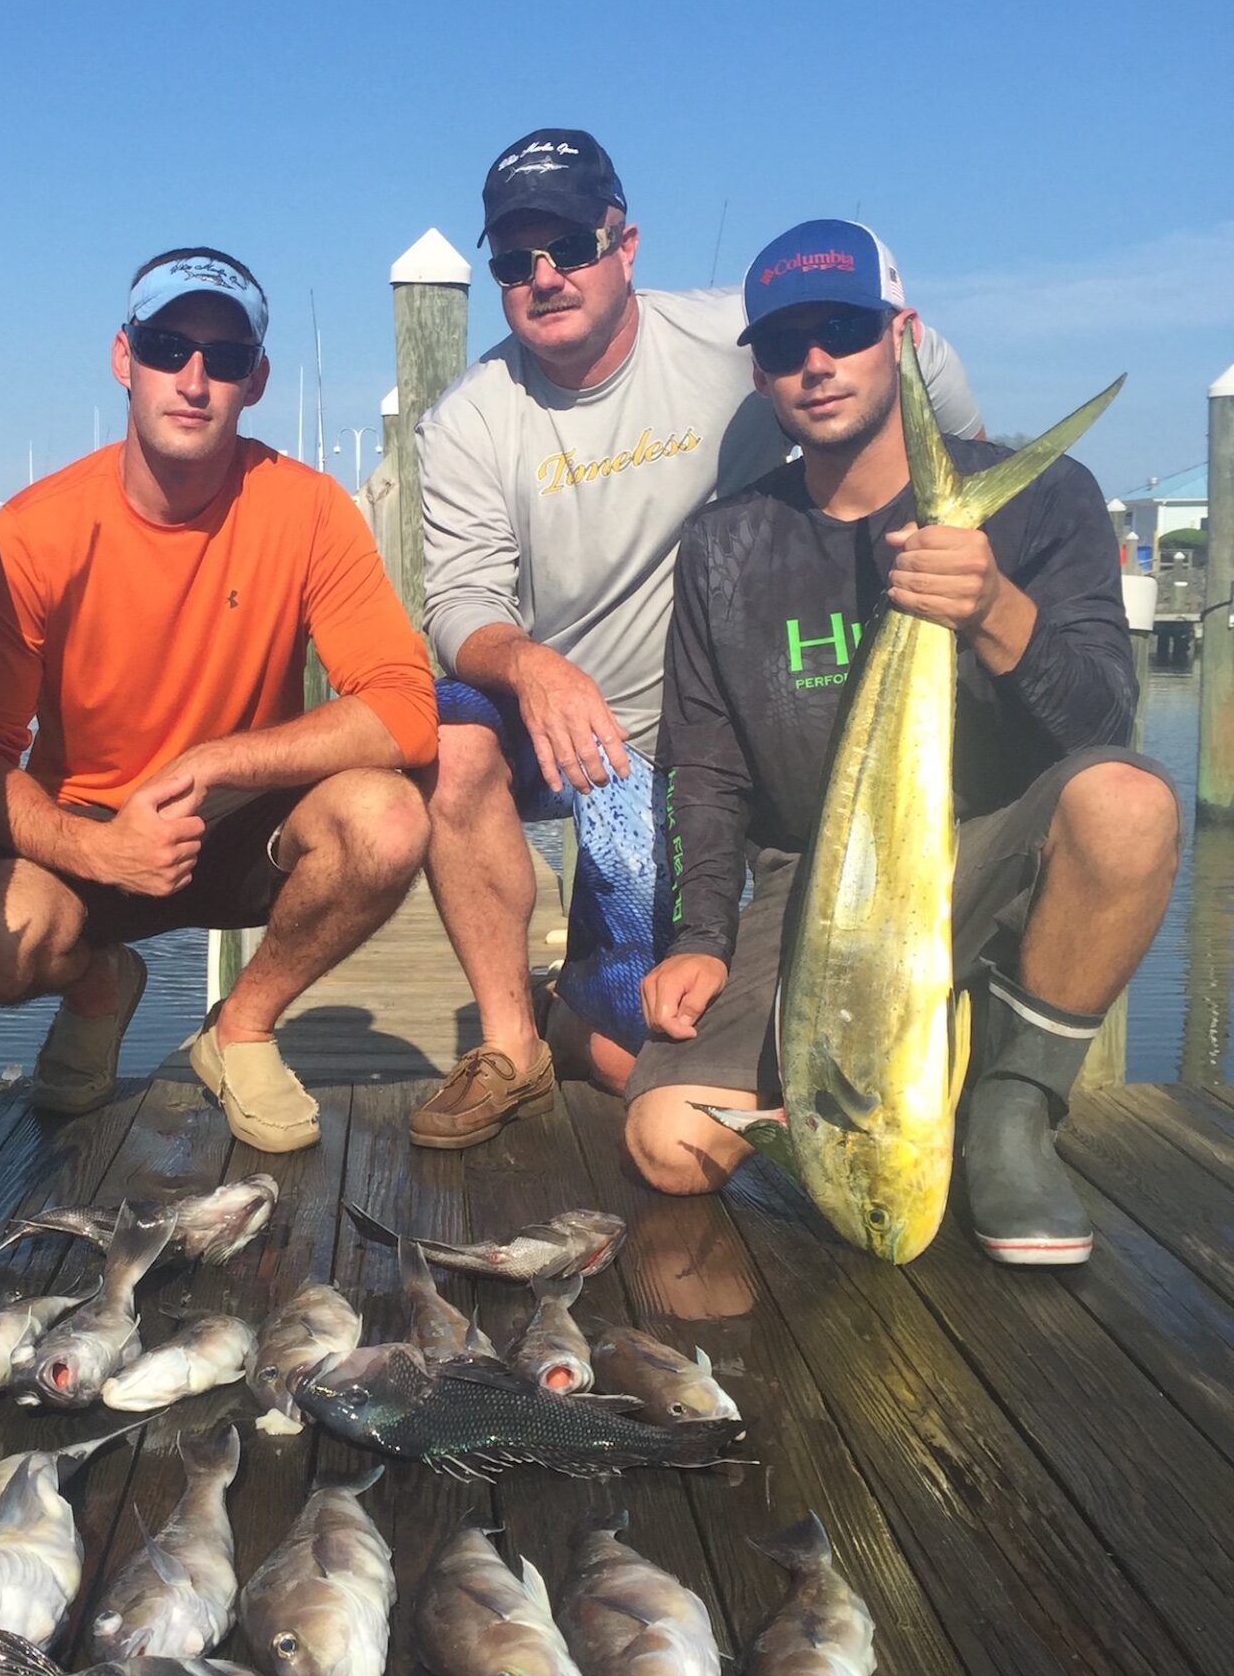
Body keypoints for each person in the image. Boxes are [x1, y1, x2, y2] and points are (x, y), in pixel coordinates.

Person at [410, 130, 982, 1148]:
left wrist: (948, 506)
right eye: (514, 261)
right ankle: (514, 1041)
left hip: (710, 732)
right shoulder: (467, 420)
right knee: (453, 743)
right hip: (568, 726)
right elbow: (457, 604)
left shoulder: (739, 336)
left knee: (655, 1011)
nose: (544, 278)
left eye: (572, 247)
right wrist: (531, 667)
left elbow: (913, 348)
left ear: (626, 243)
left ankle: (586, 1013)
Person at [625, 218, 1179, 1266]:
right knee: (668, 1141)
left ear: (904, 335)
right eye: (785, 346)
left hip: (996, 851)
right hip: (819, 884)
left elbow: (1103, 724)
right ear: (760, 374)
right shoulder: (725, 543)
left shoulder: (1045, 497)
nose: (816, 363)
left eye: (844, 328)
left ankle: (1012, 1111)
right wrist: (699, 936)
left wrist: (997, 613)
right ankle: (889, 1099)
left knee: (1129, 803)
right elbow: (701, 769)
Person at [0, 247, 434, 1153]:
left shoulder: (311, 508)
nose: (194, 379)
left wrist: (218, 760)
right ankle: (99, 986)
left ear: (257, 380)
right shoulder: (33, 531)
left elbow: (404, 707)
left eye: (226, 357)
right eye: (168, 346)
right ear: (124, 359)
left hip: (246, 822)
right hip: (90, 824)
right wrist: (99, 846)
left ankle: (241, 1026)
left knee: (390, 821)